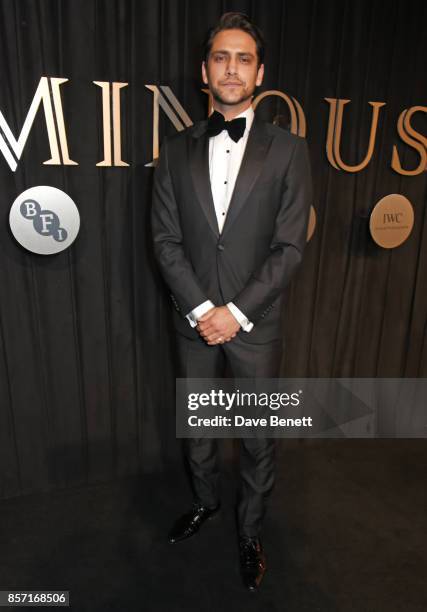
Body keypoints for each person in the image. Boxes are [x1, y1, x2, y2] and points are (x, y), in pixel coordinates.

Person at [151, 12, 312, 591]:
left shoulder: (290, 151)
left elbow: (290, 246)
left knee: (256, 435)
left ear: (260, 72)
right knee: (198, 427)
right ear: (204, 71)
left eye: (244, 58)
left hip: (256, 322)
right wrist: (201, 310)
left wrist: (236, 313)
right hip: (191, 319)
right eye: (222, 57)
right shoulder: (173, 151)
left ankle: (249, 530)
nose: (232, 68)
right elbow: (165, 241)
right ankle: (204, 503)